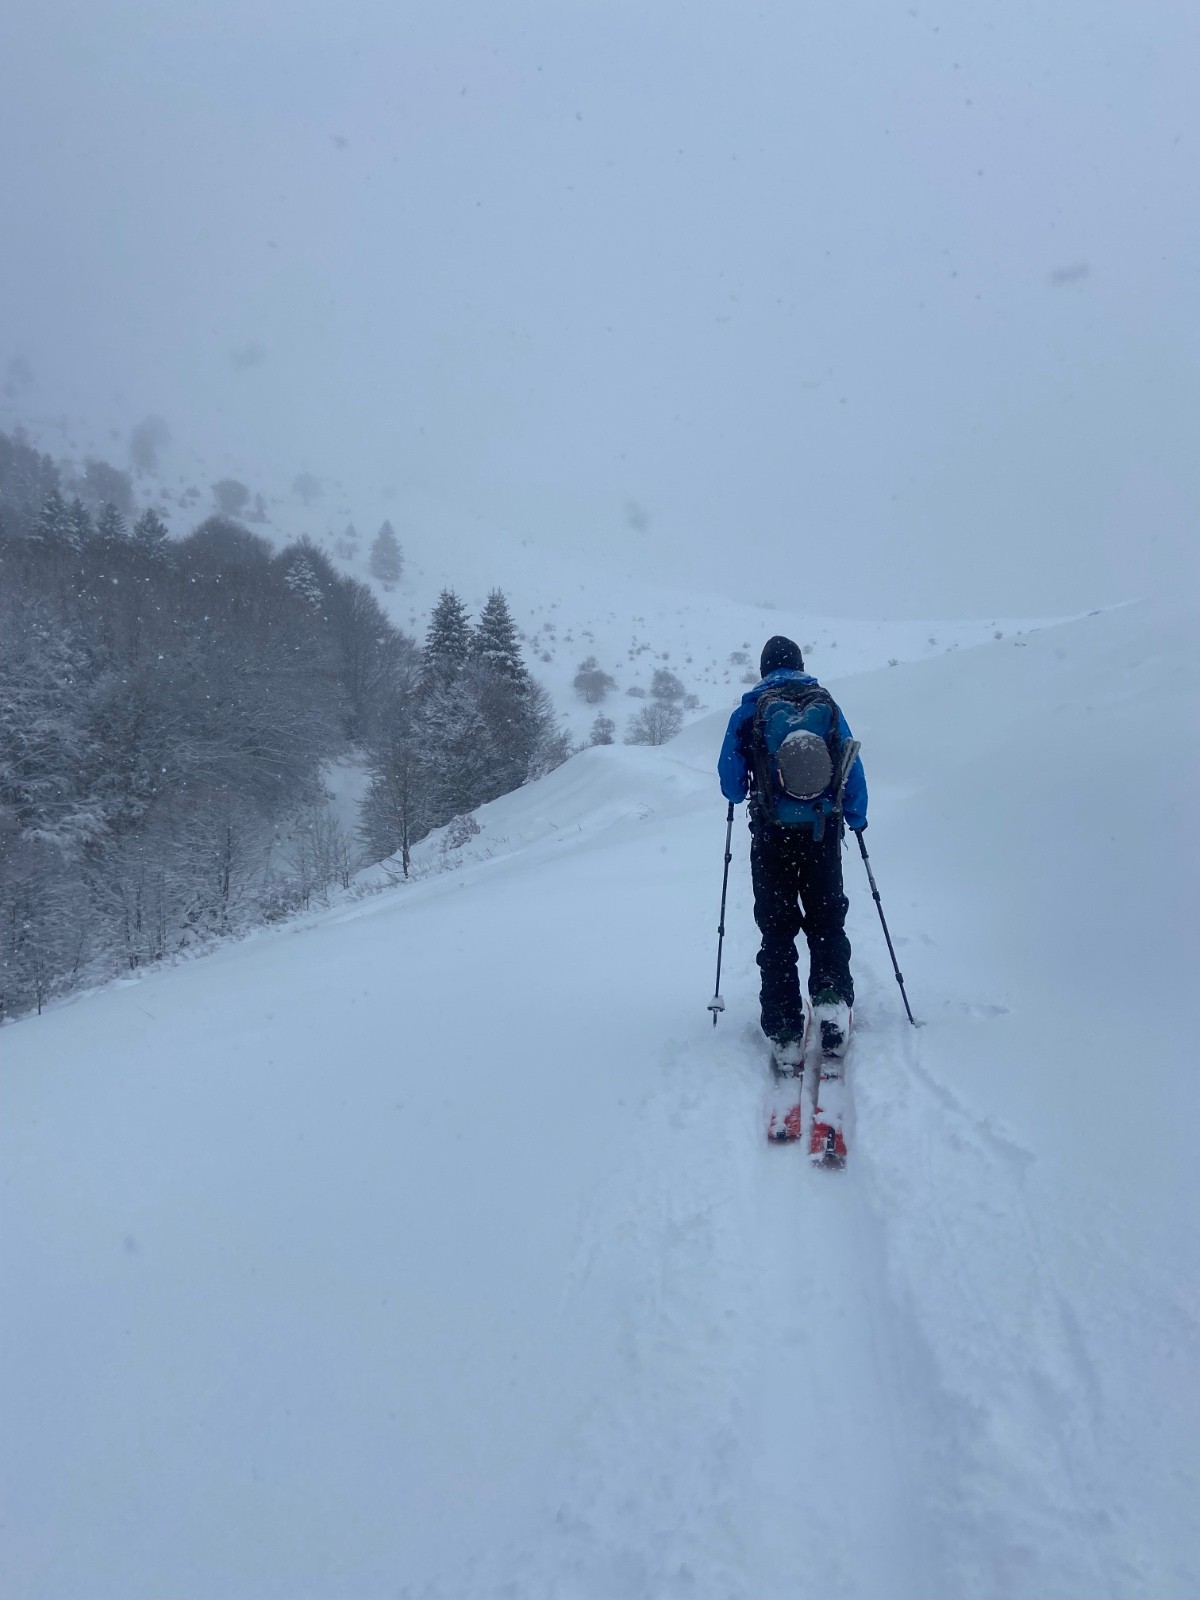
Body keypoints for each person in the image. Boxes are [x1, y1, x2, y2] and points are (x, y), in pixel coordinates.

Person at [717, 635, 867, 1063]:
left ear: (765, 669)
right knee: (826, 921)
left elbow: (730, 784)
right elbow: (852, 767)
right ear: (801, 665)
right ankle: (831, 1004)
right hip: (822, 834)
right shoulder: (827, 706)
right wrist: (856, 818)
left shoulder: (749, 712)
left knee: (777, 929)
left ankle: (784, 1030)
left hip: (771, 837)